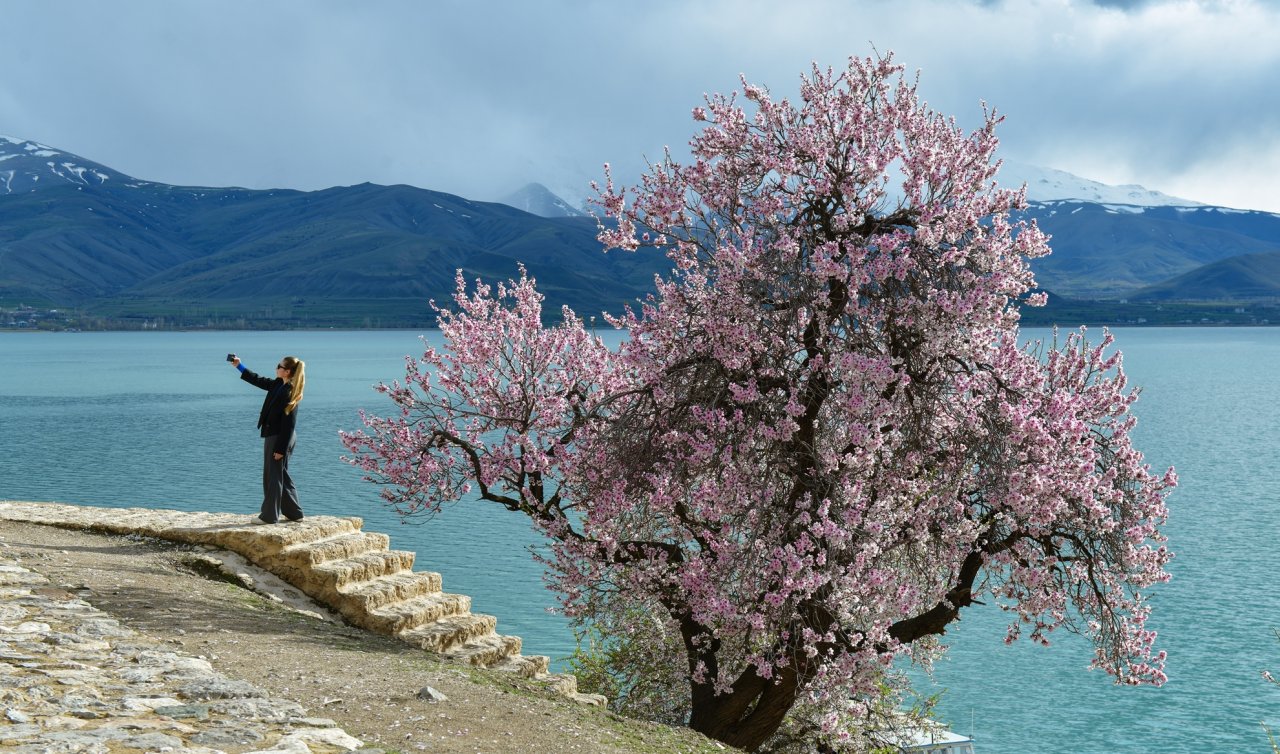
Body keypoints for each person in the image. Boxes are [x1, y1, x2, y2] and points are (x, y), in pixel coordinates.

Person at [231, 355, 306, 524]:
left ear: (286, 371)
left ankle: (269, 516)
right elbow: (258, 380)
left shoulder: (289, 393)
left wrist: (280, 448)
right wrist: (239, 366)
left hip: (280, 437)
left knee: (272, 475)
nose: (275, 368)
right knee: (281, 474)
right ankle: (295, 513)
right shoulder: (279, 385)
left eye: (278, 366)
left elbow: (289, 424)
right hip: (278, 436)